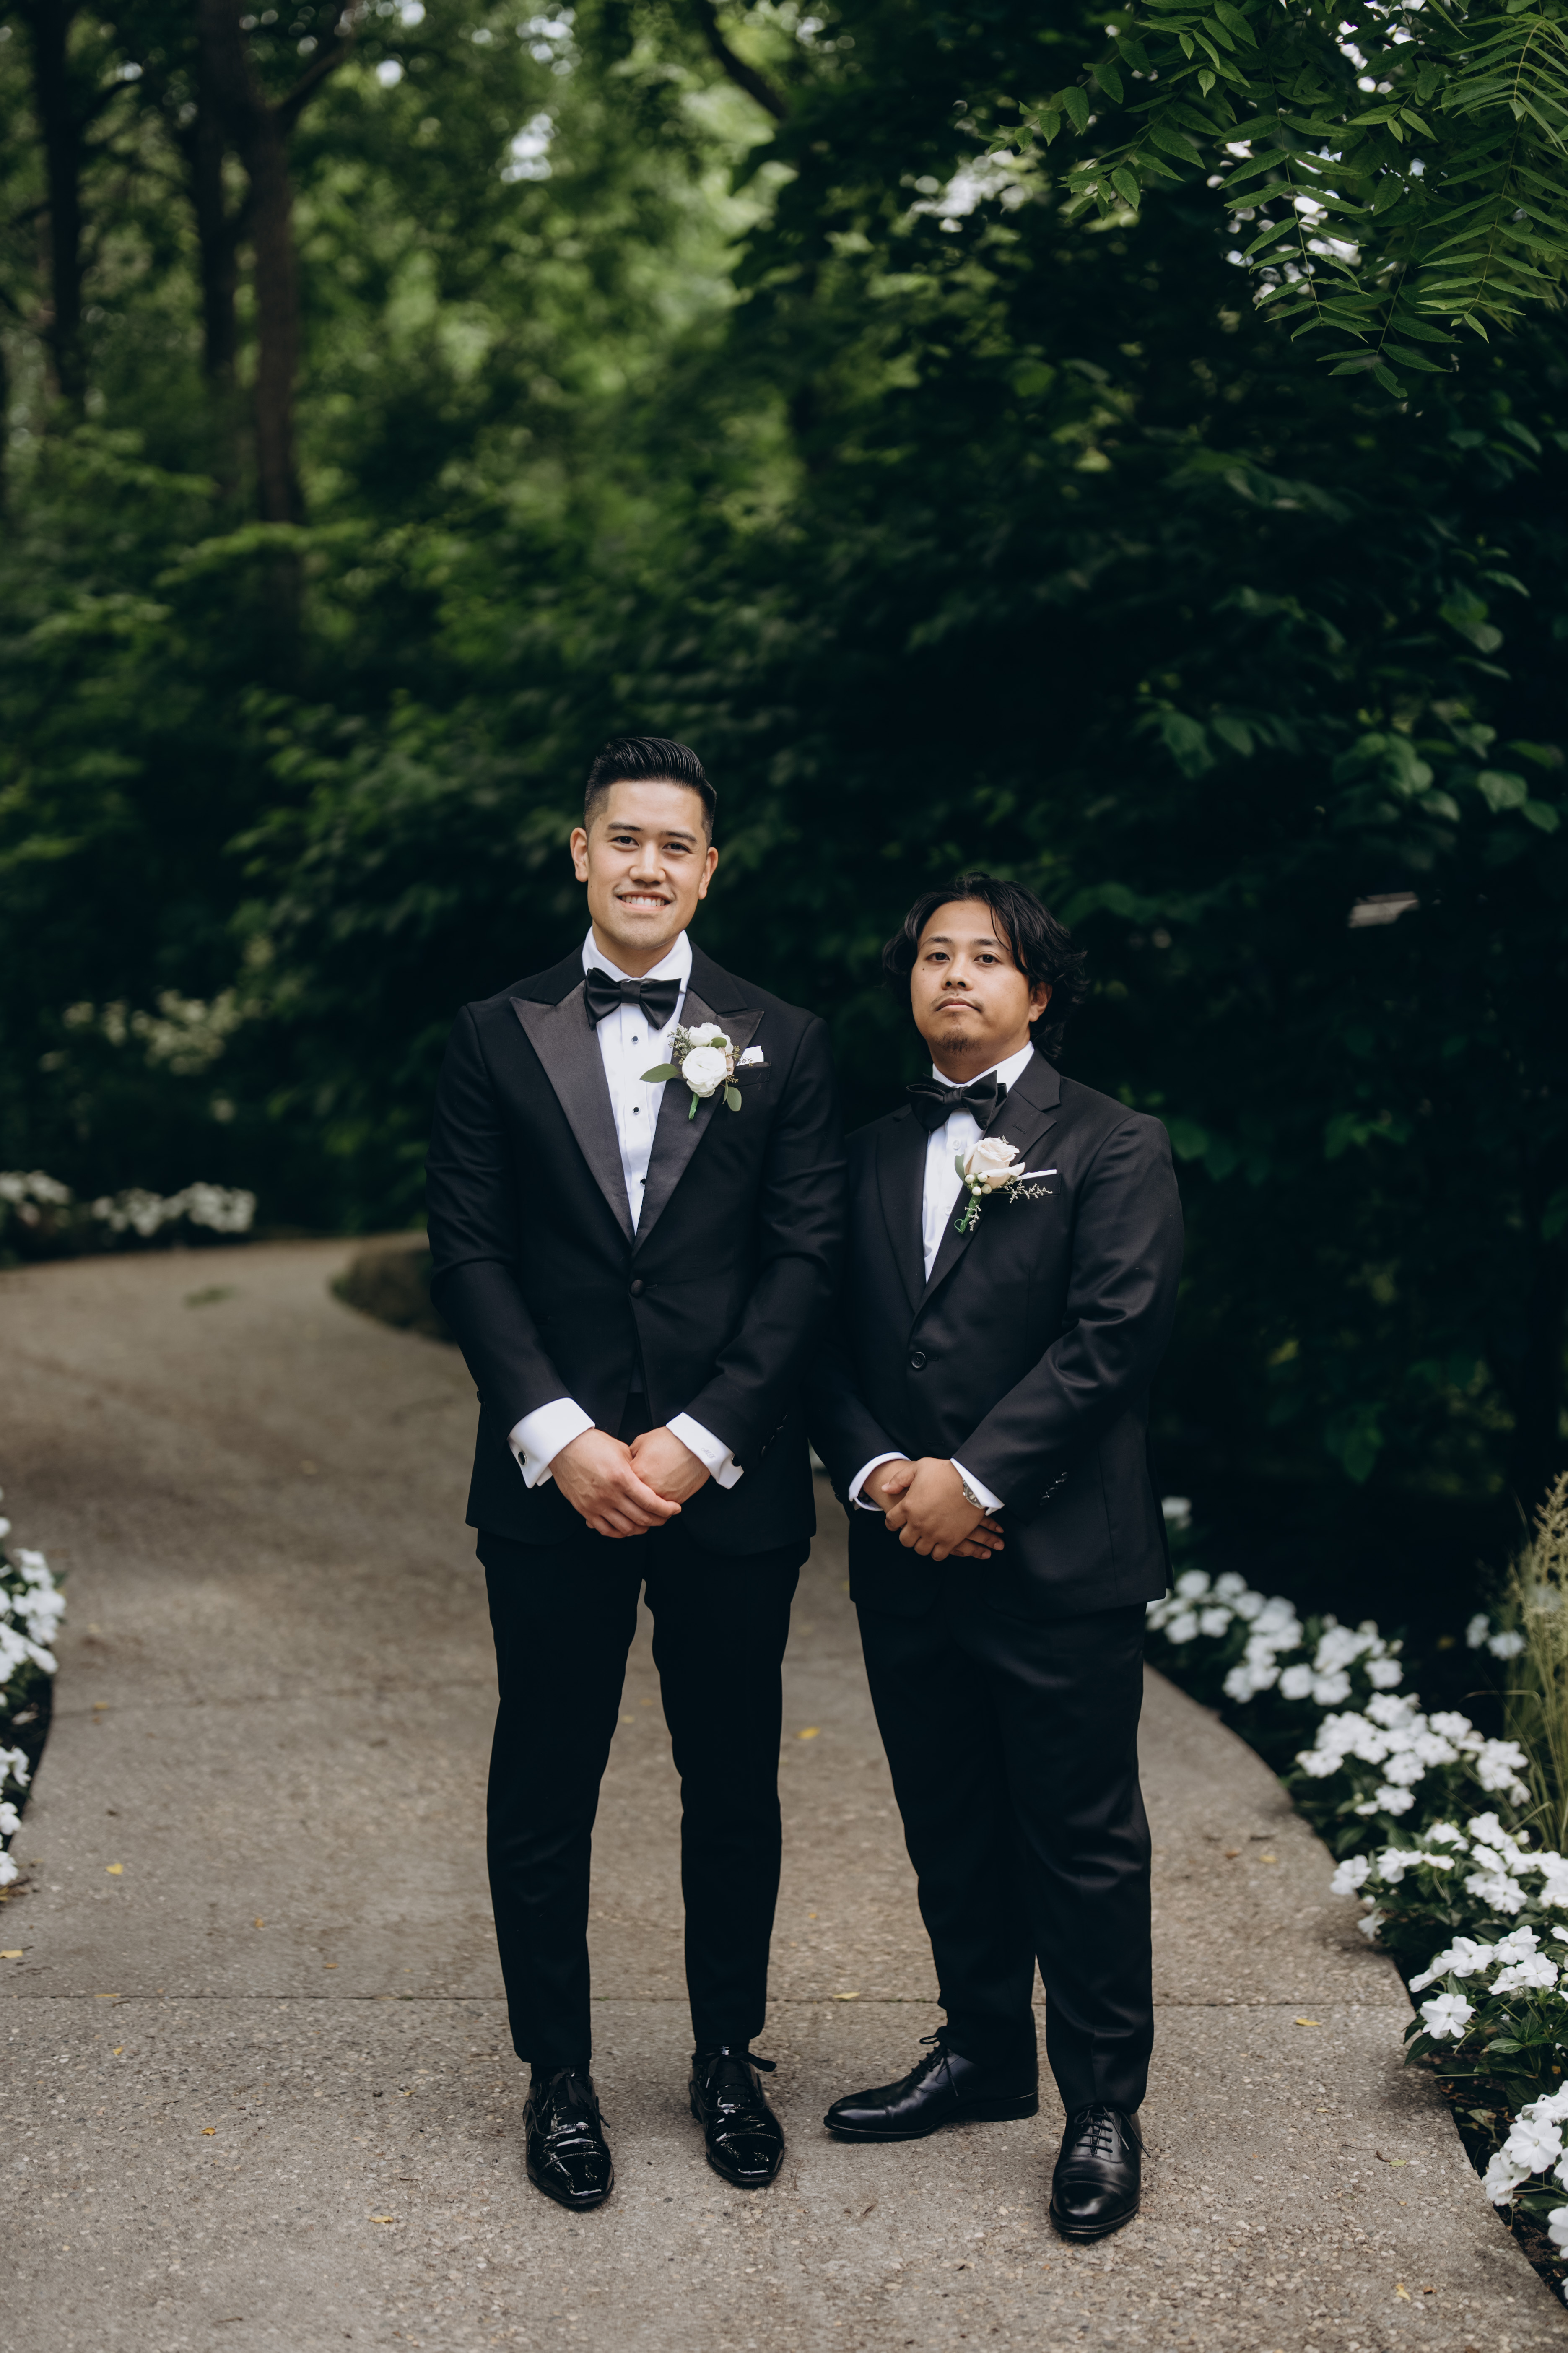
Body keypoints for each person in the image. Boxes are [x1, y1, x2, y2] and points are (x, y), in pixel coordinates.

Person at [426, 736, 844, 2210]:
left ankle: (726, 2055)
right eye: (624, 838)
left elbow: (803, 1262)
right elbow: (469, 1253)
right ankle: (558, 2073)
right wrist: (562, 1436)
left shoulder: (785, 1039)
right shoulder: (492, 1034)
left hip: (727, 1480)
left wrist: (698, 1436)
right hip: (552, 1481)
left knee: (732, 1782)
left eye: (675, 844)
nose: (647, 865)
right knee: (545, 1781)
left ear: (707, 869)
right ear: (581, 852)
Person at [808, 874, 1182, 2242]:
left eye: (985, 956)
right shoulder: (856, 1154)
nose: (954, 974)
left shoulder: (1112, 1142)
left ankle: (1103, 2103)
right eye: (933, 954)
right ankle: (981, 2053)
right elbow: (817, 1341)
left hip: (1057, 1552)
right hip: (904, 1552)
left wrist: (969, 1479)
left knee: (1080, 1840)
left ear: (1038, 990)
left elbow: (1112, 1335)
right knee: (948, 1821)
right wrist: (879, 1476)